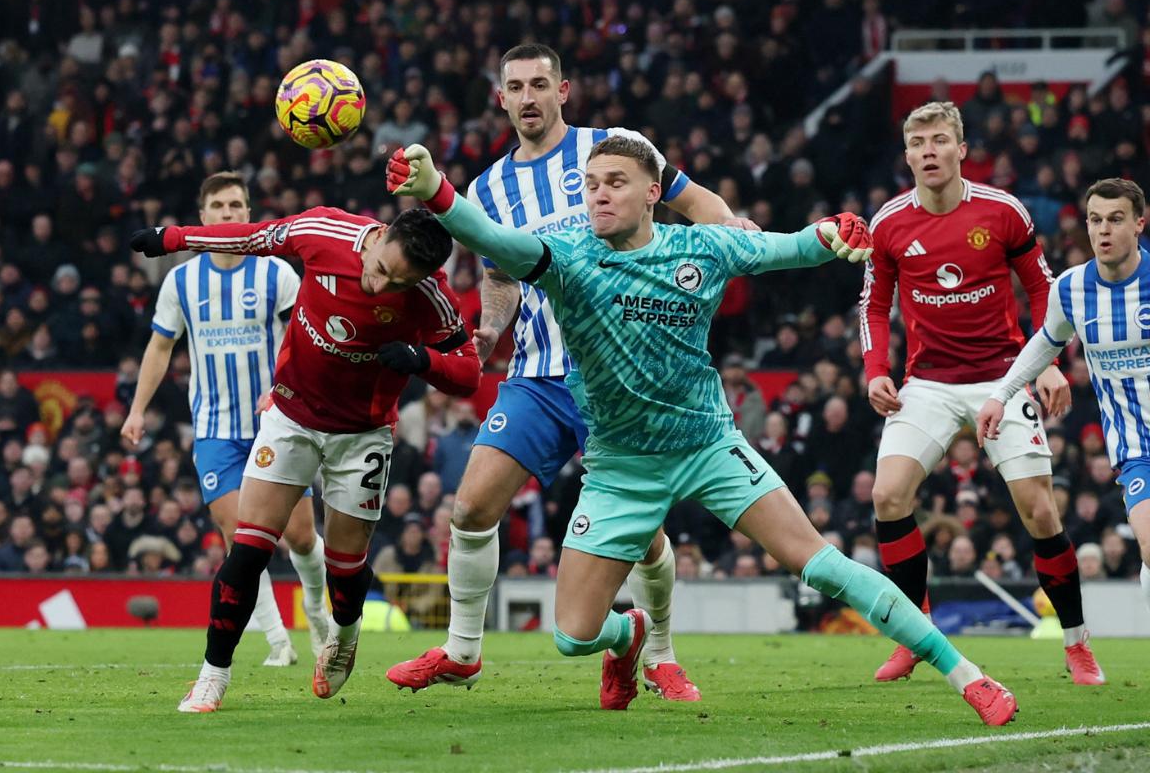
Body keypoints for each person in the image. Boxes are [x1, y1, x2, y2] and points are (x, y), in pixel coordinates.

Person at [386, 135, 1018, 724]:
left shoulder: (702, 247)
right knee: (571, 636)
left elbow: (788, 247)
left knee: (820, 564)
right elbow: (491, 235)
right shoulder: (567, 259)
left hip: (709, 447)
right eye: (591, 184)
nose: (598, 194)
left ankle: (968, 676)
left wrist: (830, 233)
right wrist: (436, 187)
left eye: (615, 182)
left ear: (653, 192)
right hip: (621, 468)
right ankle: (629, 634)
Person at [388, 43, 755, 701]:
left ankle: (659, 652)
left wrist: (733, 234)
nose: (528, 97)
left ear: (564, 90)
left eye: (539, 84)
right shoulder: (489, 188)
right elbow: (501, 275)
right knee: (470, 506)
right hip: (537, 373)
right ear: (500, 99)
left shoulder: (614, 147)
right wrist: (492, 327)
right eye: (515, 87)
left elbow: (693, 201)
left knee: (642, 538)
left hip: (619, 373)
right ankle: (463, 651)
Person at [129, 201, 481, 712]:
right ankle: (212, 676)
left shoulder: (430, 295)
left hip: (361, 437)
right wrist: (173, 236)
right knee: (248, 548)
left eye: (397, 284)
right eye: (381, 269)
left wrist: (422, 360)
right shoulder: (324, 232)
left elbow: (469, 371)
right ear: (379, 235)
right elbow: (250, 237)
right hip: (289, 417)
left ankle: (345, 632)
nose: (379, 287)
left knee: (344, 571)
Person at [860, 101, 1104, 686]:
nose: (928, 151)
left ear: (961, 149)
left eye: (939, 140)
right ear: (907, 155)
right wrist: (876, 368)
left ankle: (1076, 643)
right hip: (928, 383)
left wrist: (1048, 363)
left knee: (1039, 510)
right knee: (888, 496)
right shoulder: (889, 223)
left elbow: (1042, 291)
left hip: (1005, 375)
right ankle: (916, 635)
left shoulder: (1002, 212)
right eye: (917, 142)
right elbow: (873, 305)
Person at [122, 171, 329, 668]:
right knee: (243, 542)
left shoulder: (276, 273)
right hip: (215, 429)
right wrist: (136, 409)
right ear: (203, 217)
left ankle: (319, 613)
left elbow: (303, 338)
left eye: (237, 206)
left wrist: (284, 388)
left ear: (249, 214)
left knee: (300, 537)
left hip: (277, 425)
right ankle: (279, 641)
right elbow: (160, 346)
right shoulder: (181, 281)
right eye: (219, 206)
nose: (229, 214)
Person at [979, 178, 1150, 622]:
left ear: (1139, 224)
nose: (1103, 230)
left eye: (1116, 220)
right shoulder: (1071, 288)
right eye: (1095, 220)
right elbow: (1044, 344)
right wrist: (1001, 394)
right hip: (1135, 447)